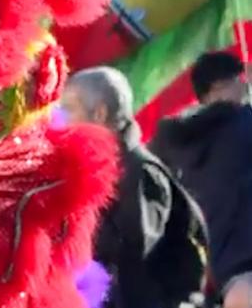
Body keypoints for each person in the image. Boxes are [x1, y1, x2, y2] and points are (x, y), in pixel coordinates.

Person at [62, 67, 208, 308]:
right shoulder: (102, 168)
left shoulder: (140, 172)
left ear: (99, 113)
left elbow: (130, 252)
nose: (63, 120)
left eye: (69, 109)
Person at [150, 51, 252, 308]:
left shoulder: (168, 146)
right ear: (222, 86)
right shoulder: (244, 124)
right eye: (242, 79)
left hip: (208, 279)